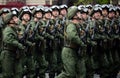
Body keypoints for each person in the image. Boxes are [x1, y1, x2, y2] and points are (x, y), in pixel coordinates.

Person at [57, 6, 86, 78]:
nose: (80, 14)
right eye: (78, 13)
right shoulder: (71, 25)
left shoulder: (78, 25)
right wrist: (81, 43)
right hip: (69, 51)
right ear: (74, 15)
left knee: (82, 72)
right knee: (69, 74)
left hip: (76, 51)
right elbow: (72, 36)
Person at [1, 12, 24, 78]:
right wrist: (18, 44)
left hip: (15, 53)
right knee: (7, 74)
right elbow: (7, 39)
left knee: (19, 72)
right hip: (7, 54)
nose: (16, 19)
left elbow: (21, 30)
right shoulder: (8, 29)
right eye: (14, 18)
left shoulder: (14, 29)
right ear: (9, 20)